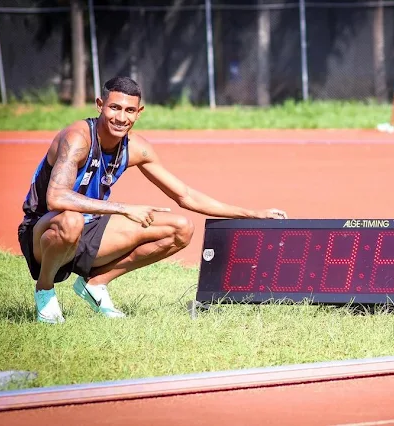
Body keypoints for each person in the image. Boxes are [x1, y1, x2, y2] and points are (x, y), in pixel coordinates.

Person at [18, 76, 288, 324]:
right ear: (100, 105)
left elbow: (185, 195)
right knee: (71, 219)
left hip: (89, 227)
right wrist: (124, 209)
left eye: (129, 110)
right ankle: (45, 290)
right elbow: (56, 197)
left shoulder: (137, 147)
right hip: (44, 232)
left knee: (180, 228)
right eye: (114, 108)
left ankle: (96, 284)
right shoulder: (78, 138)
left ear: (139, 112)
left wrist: (253, 214)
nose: (121, 117)